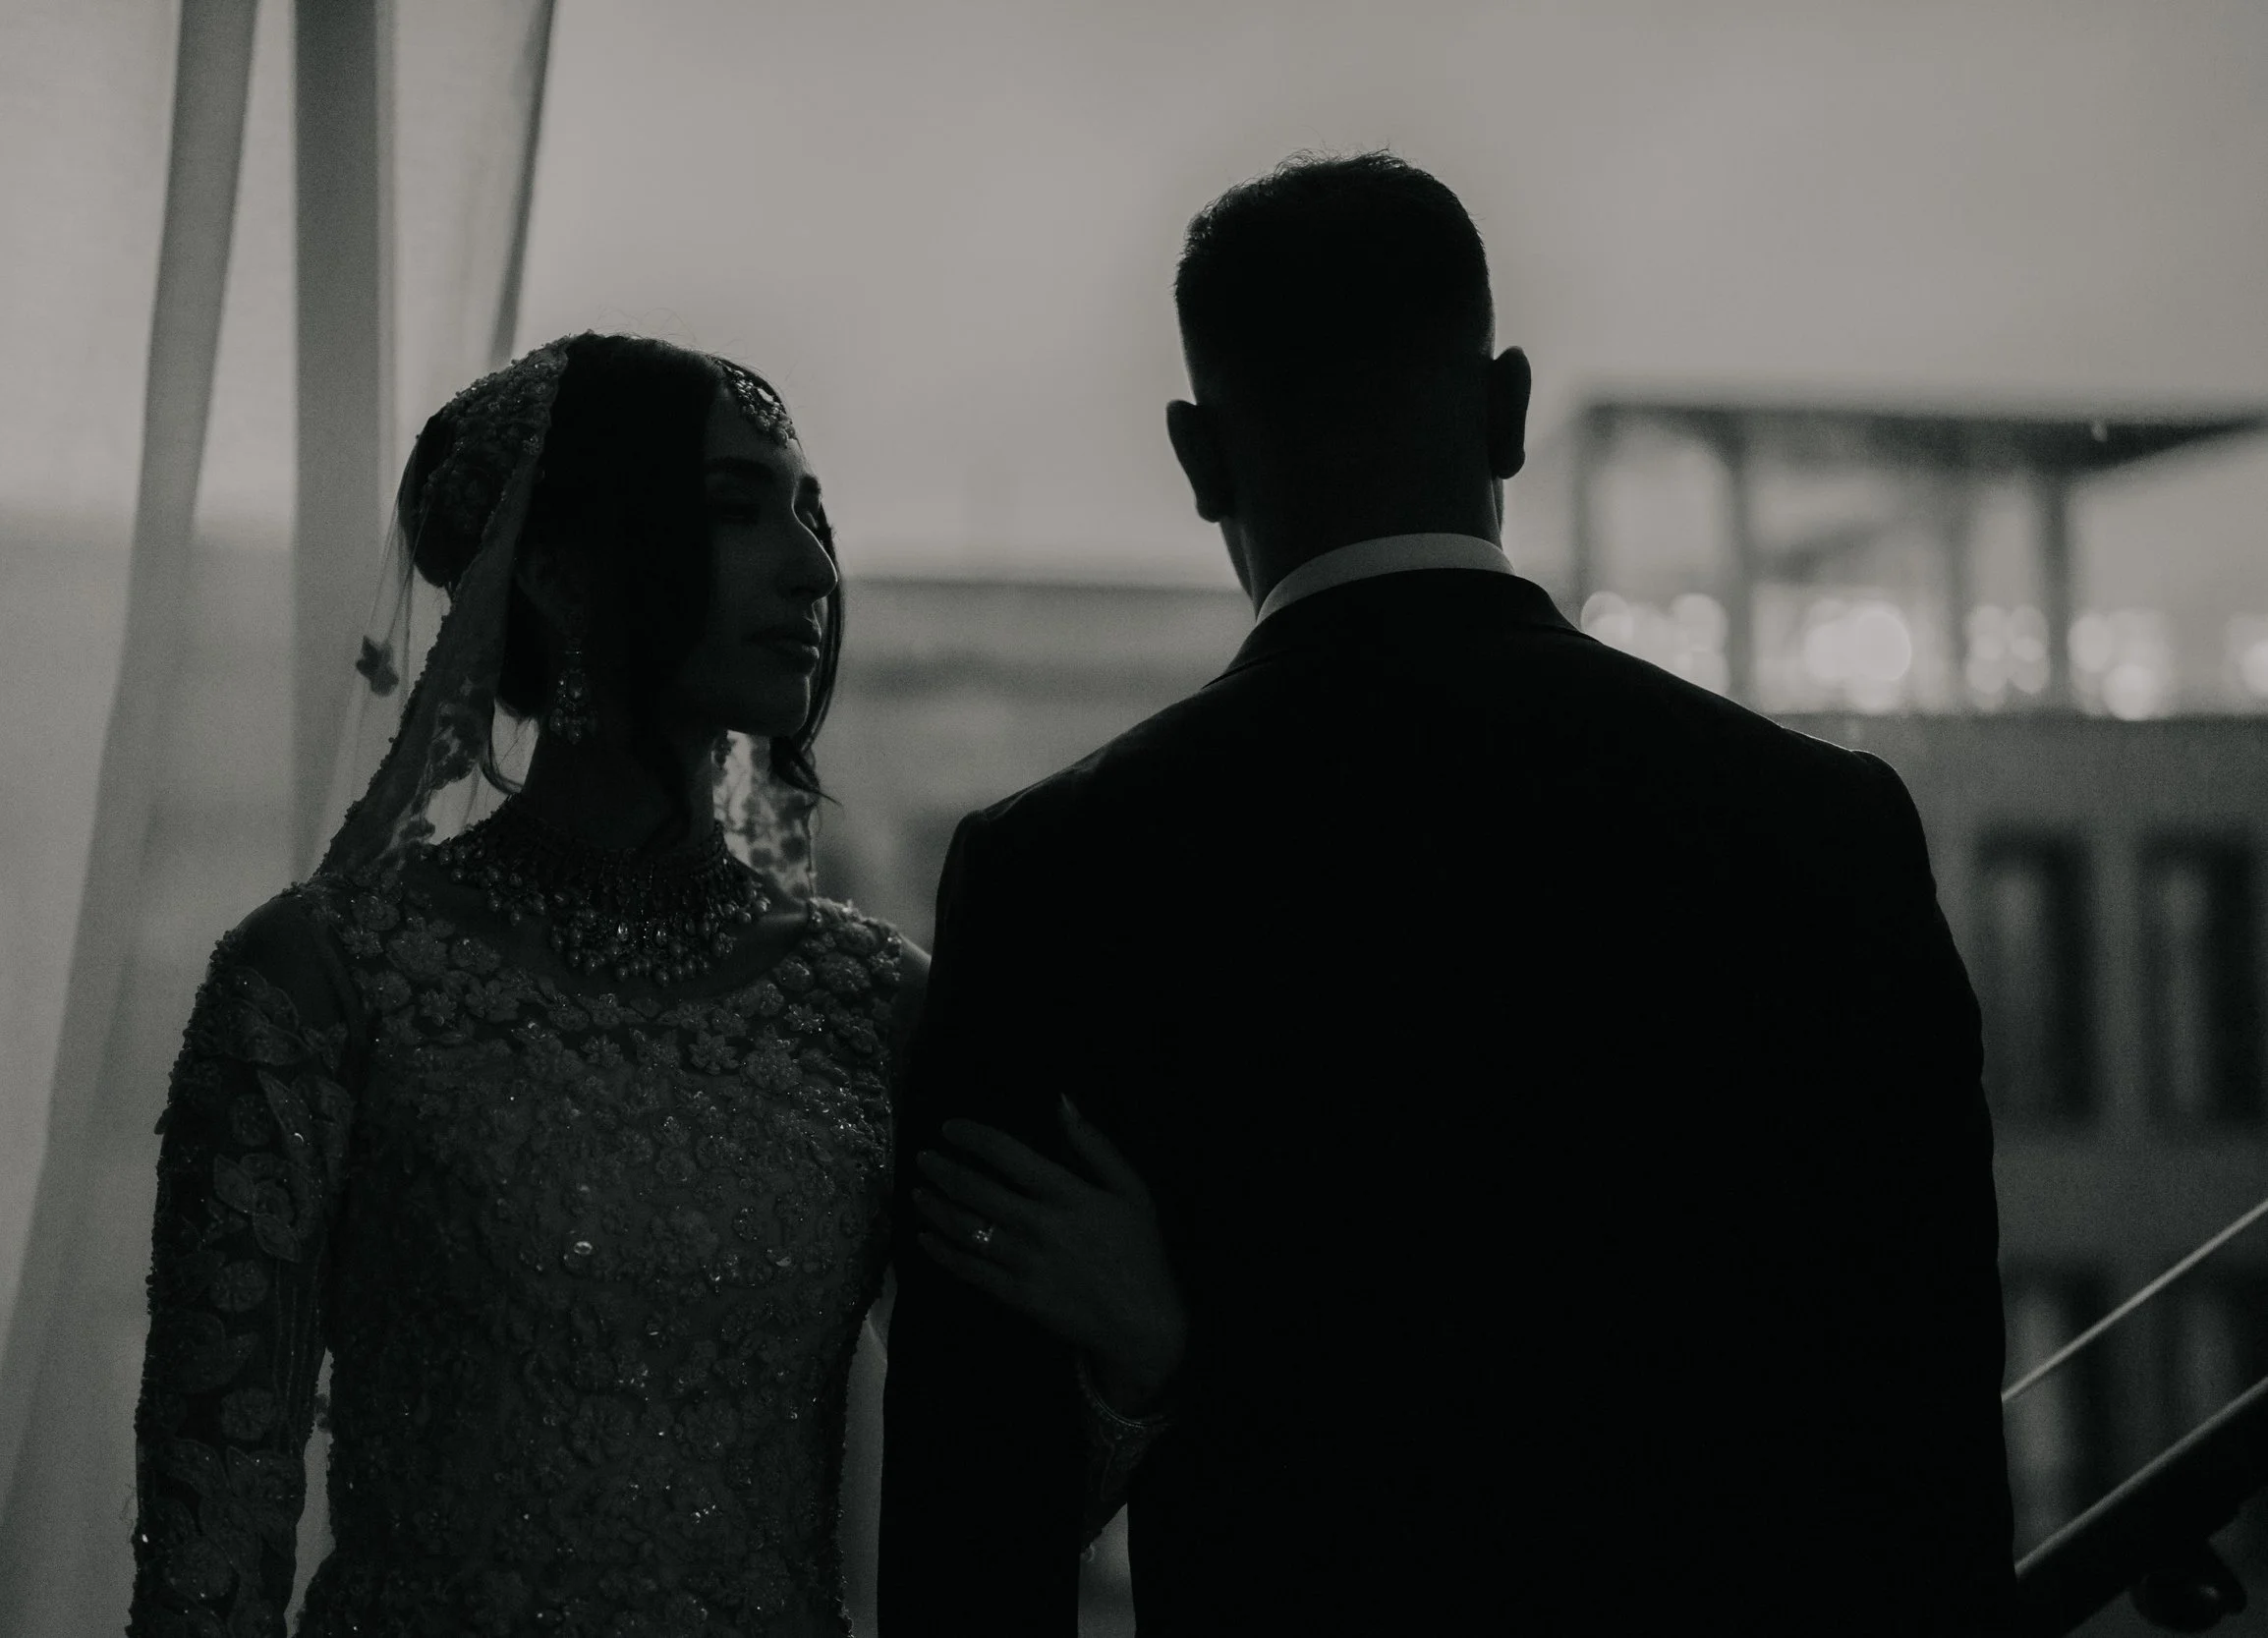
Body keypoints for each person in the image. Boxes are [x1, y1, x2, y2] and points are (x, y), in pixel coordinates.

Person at [879, 152, 2017, 1635]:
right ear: (1509, 410)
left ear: (1197, 458)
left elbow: (975, 1514)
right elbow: (1929, 1430)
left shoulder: (1060, 871)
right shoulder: (1823, 825)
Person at [124, 332, 1188, 1637]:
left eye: (814, 516)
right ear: (566, 571)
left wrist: (1137, 1355)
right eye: (741, 510)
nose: (812, 566)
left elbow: (986, 1509)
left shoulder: (871, 1010)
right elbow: (205, 1548)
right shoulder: (323, 983)